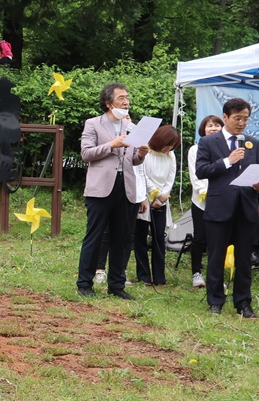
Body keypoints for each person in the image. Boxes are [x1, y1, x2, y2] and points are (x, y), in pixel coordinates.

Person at [195, 98, 259, 318]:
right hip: (219, 206)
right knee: (216, 256)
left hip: (246, 207)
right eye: (237, 118)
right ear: (225, 117)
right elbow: (201, 171)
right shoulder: (208, 142)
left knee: (244, 259)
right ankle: (215, 300)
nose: (242, 123)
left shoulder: (253, 143)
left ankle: (243, 302)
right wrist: (228, 160)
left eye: (245, 119)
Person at [75, 83, 147, 300]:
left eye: (127, 98)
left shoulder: (132, 126)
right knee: (94, 236)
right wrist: (112, 145)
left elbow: (133, 159)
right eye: (121, 98)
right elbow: (86, 154)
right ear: (108, 103)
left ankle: (116, 285)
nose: (126, 102)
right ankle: (84, 283)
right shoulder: (93, 124)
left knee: (122, 238)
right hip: (100, 188)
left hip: (126, 187)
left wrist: (142, 154)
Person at [133, 125, 181, 286]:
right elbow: (142, 174)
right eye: (167, 145)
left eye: (172, 146)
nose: (168, 149)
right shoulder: (145, 150)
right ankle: (143, 275)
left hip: (162, 200)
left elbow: (170, 177)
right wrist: (154, 193)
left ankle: (159, 276)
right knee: (140, 236)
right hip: (144, 197)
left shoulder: (170, 155)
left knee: (159, 237)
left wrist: (163, 196)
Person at [188, 115, 223, 287]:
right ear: (203, 129)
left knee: (218, 239)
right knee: (200, 238)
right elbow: (196, 176)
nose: (214, 128)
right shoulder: (195, 149)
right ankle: (196, 273)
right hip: (201, 201)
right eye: (210, 126)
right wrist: (205, 193)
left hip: (221, 200)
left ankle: (215, 276)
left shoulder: (225, 148)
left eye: (217, 125)